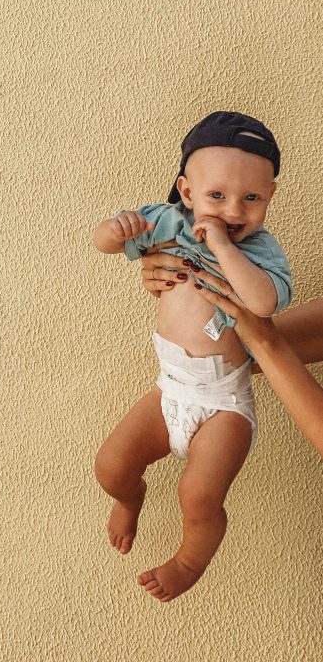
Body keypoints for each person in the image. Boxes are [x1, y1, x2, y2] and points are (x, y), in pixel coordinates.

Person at [92, 112, 292, 603]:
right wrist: (115, 230)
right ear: (186, 191)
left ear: (270, 197)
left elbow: (264, 303)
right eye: (216, 195)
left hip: (224, 403)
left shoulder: (262, 252)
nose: (233, 210)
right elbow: (104, 244)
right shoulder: (166, 222)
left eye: (252, 198)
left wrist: (221, 244)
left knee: (198, 495)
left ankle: (188, 561)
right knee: (110, 466)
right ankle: (129, 497)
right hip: (171, 387)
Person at [139, 255, 323, 456]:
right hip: (171, 386)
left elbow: (265, 329)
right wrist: (186, 296)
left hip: (225, 406)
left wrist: (263, 342)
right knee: (114, 468)